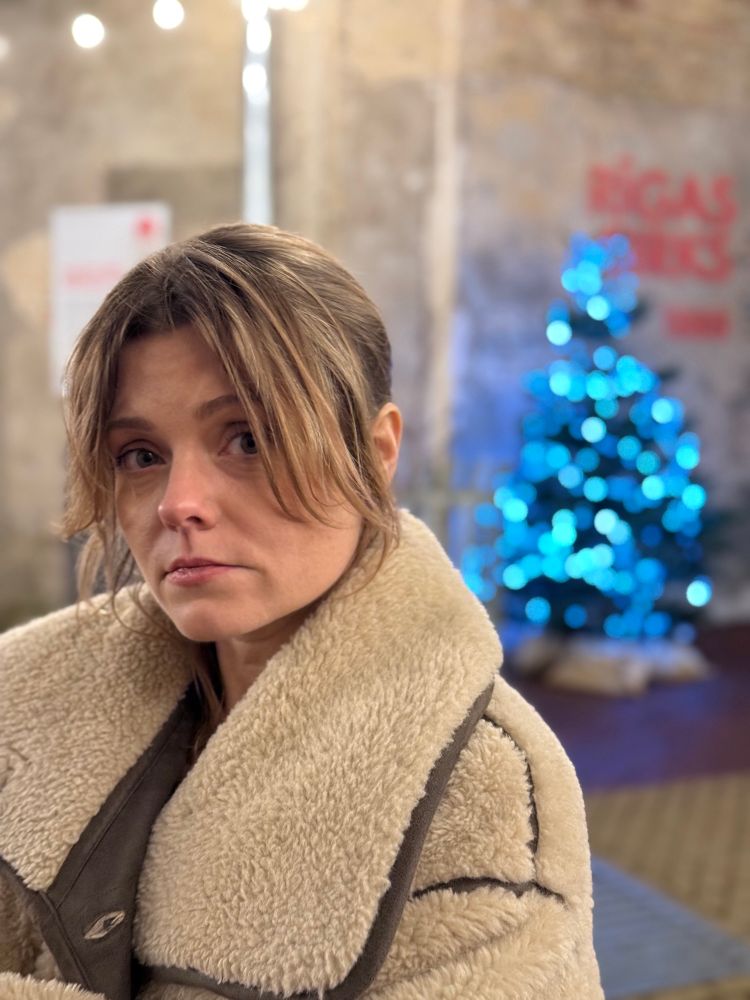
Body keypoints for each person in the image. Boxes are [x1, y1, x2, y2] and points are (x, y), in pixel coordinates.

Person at [0, 223, 604, 1000]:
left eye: (247, 439)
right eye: (140, 455)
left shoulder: (480, 790)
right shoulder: (26, 701)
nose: (180, 503)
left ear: (377, 454)